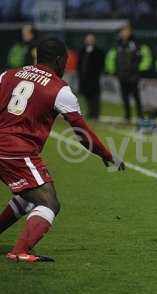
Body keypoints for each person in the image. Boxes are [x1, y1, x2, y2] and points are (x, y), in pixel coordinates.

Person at [0, 38, 124, 262]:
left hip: (7, 146)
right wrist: (107, 155)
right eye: (65, 60)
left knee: (28, 195)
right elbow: (83, 135)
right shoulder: (59, 89)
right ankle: (20, 251)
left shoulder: (7, 75)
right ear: (58, 60)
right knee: (49, 202)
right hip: (17, 151)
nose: (66, 66)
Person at [116, 24, 152, 124]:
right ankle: (127, 117)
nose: (124, 33)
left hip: (133, 76)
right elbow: (116, 59)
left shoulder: (135, 44)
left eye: (126, 31)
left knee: (136, 97)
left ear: (130, 32)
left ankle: (140, 116)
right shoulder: (118, 44)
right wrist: (116, 71)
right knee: (125, 98)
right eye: (122, 31)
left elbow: (144, 57)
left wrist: (137, 69)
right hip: (122, 75)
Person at [78, 34, 104, 120]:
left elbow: (99, 65)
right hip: (84, 78)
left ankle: (95, 113)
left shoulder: (98, 51)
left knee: (95, 96)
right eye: (88, 39)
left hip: (93, 78)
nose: (89, 41)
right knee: (87, 96)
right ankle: (90, 112)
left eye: (91, 39)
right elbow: (80, 64)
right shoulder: (82, 51)